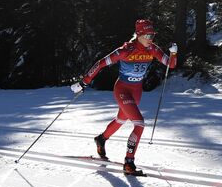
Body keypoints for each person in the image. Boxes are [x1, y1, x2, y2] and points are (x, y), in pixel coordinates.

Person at [71, 19, 177, 175]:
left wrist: (173, 52)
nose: (150, 39)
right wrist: (84, 81)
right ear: (139, 34)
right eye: (147, 35)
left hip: (136, 91)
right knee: (139, 124)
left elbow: (171, 64)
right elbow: (101, 63)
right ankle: (129, 163)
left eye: (152, 35)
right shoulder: (126, 50)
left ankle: (101, 139)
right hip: (122, 90)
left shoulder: (152, 49)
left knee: (121, 119)